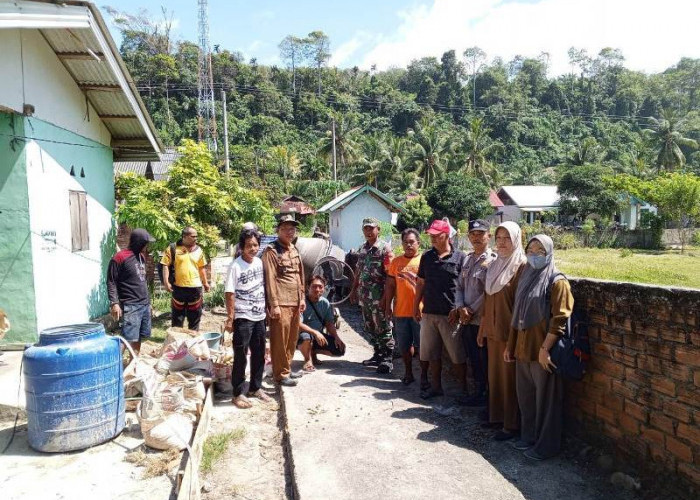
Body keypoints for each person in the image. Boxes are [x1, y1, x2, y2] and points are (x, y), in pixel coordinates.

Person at [509, 234, 574, 460]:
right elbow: (517, 314)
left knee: (546, 401)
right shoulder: (526, 275)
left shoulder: (557, 281)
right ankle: (528, 437)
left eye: (540, 251)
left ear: (549, 253)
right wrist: (511, 345)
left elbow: (560, 319)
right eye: (531, 250)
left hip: (542, 351)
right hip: (522, 348)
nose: (534, 255)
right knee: (526, 397)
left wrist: (545, 349)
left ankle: (545, 446)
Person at [478, 221, 526, 441]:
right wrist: (482, 329)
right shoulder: (495, 265)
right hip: (492, 332)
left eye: (507, 238)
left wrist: (514, 339)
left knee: (509, 381)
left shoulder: (520, 266)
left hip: (509, 334)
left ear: (516, 239)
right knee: (494, 377)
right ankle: (496, 417)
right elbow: (488, 302)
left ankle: (511, 424)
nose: (502, 243)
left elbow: (520, 306)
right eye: (499, 238)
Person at [413, 219, 467, 399]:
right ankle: (436, 387)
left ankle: (464, 390)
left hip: (450, 315)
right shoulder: (427, 257)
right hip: (429, 313)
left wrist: (459, 308)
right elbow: (420, 283)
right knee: (432, 354)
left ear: (447, 235)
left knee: (457, 355)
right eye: (431, 235)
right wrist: (416, 306)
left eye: (437, 235)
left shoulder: (460, 257)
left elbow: (465, 286)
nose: (433, 238)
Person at [224, 228, 273, 409]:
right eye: (249, 245)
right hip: (243, 317)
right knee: (240, 355)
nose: (253, 248)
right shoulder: (235, 266)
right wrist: (230, 318)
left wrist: (267, 308)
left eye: (255, 245)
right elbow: (229, 293)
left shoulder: (259, 263)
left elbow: (263, 287)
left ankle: (255, 387)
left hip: (259, 315)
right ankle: (237, 393)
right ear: (242, 247)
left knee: (259, 353)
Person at [452, 219, 497, 407]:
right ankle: (478, 394)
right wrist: (461, 307)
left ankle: (488, 399)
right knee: (473, 360)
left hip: (482, 322)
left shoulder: (493, 261)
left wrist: (470, 310)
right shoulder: (468, 259)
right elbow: (459, 287)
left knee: (485, 361)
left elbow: (490, 293)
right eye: (473, 234)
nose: (476, 238)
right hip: (467, 320)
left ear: (489, 236)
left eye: (481, 234)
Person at [262, 214, 305, 387]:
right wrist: (274, 305)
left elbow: (301, 275)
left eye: (292, 229)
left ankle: (286, 368)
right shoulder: (271, 251)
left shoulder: (294, 249)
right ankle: (280, 374)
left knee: (292, 339)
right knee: (279, 340)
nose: (289, 232)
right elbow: (270, 280)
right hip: (281, 302)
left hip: (295, 301)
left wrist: (302, 298)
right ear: (278, 230)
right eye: (285, 229)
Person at [385, 228, 429, 388]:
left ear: (418, 243)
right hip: (401, 312)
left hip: (421, 313)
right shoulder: (396, 262)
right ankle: (408, 373)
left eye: (412, 242)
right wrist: (387, 306)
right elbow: (390, 285)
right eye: (405, 242)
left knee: (423, 347)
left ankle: (424, 376)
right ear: (402, 244)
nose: (409, 245)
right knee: (404, 346)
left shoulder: (425, 260)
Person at [350, 217, 394, 374]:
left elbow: (390, 276)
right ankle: (377, 354)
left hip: (379, 296)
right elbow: (358, 271)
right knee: (370, 326)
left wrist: (385, 300)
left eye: (371, 228)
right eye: (365, 229)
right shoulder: (362, 249)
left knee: (383, 326)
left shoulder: (385, 249)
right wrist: (354, 289)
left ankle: (387, 359)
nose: (368, 231)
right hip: (365, 296)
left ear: (378, 230)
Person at [107, 228, 155, 354]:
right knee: (127, 338)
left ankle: (133, 363)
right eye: (145, 243)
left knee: (138, 336)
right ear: (139, 242)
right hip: (131, 305)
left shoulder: (141, 257)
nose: (147, 246)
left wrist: (148, 303)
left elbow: (142, 282)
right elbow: (111, 281)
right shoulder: (120, 257)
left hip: (144, 304)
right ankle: (114, 365)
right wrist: (114, 303)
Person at [161, 227, 210, 331]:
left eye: (197, 236)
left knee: (195, 318)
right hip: (179, 288)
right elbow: (165, 265)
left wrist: (205, 283)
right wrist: (166, 282)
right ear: (184, 237)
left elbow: (201, 268)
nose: (196, 238)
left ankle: (192, 341)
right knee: (177, 318)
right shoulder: (173, 248)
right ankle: (177, 341)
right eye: (193, 236)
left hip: (195, 289)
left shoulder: (199, 250)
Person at [297, 275, 346, 372]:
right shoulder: (303, 303)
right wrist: (315, 332)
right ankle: (308, 359)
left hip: (318, 337)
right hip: (303, 335)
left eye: (320, 287)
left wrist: (336, 337)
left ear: (324, 288)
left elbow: (329, 323)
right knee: (306, 337)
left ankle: (312, 353)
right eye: (314, 286)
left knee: (340, 349)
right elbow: (298, 324)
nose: (317, 289)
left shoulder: (325, 303)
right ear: (308, 287)